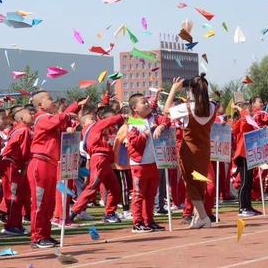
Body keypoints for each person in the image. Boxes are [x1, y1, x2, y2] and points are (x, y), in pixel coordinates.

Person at [28, 90, 80, 249]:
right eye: (49, 98)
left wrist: (71, 124)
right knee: (40, 202)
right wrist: (69, 114)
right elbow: (60, 118)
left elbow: (63, 123)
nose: (53, 100)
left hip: (51, 163)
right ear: (40, 105)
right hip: (40, 163)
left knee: (49, 203)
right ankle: (37, 237)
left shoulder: (51, 119)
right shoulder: (42, 118)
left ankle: (45, 234)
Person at [164, 74, 215, 228]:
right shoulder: (213, 106)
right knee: (199, 182)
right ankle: (198, 217)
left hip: (189, 150)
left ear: (191, 90)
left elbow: (166, 110)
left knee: (191, 184)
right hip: (204, 149)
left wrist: (173, 89)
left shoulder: (187, 108)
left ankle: (203, 217)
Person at [70, 109, 125, 224]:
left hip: (104, 161)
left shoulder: (94, 130)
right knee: (93, 187)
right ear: (84, 123)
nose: (94, 119)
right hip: (99, 159)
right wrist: (122, 116)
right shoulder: (94, 127)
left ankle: (110, 213)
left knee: (114, 188)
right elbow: (110, 120)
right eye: (91, 118)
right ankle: (74, 211)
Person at [127, 93, 168, 233]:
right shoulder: (134, 122)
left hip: (154, 162)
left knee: (151, 194)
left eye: (147, 101)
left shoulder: (153, 117)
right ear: (135, 108)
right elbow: (134, 142)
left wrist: (161, 126)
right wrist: (147, 132)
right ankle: (137, 222)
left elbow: (167, 119)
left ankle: (148, 220)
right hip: (140, 163)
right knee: (139, 194)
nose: (147, 104)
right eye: (143, 102)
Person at [0, 105, 33, 235]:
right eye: (29, 114)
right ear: (22, 118)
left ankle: (16, 223)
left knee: (19, 195)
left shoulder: (18, 129)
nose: (32, 115)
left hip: (13, 164)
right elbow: (24, 151)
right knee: (14, 196)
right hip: (13, 165)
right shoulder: (24, 130)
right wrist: (24, 166)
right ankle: (11, 225)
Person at [231, 101, 262, 217]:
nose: (251, 111)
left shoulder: (251, 121)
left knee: (249, 181)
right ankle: (242, 207)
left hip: (250, 153)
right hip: (242, 153)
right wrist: (240, 109)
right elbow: (241, 124)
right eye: (249, 109)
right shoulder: (241, 121)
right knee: (244, 182)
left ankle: (248, 206)